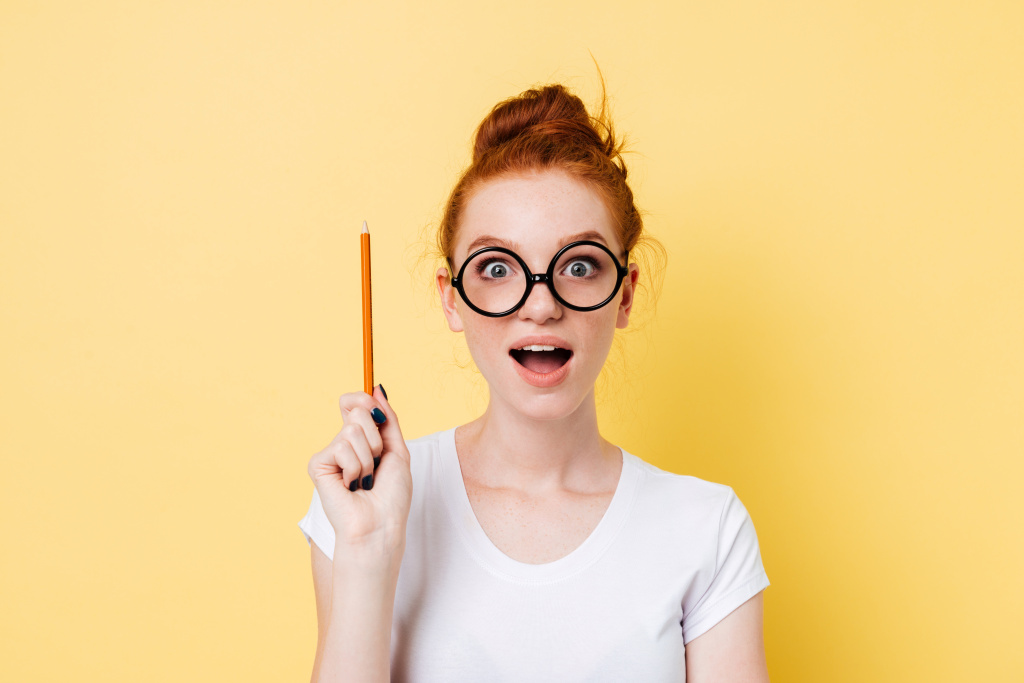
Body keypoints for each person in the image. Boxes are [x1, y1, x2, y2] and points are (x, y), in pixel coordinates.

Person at [299, 77, 770, 682]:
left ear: (625, 295)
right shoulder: (360, 504)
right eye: (497, 268)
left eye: (579, 266)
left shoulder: (708, 528)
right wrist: (368, 553)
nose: (541, 306)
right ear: (451, 299)